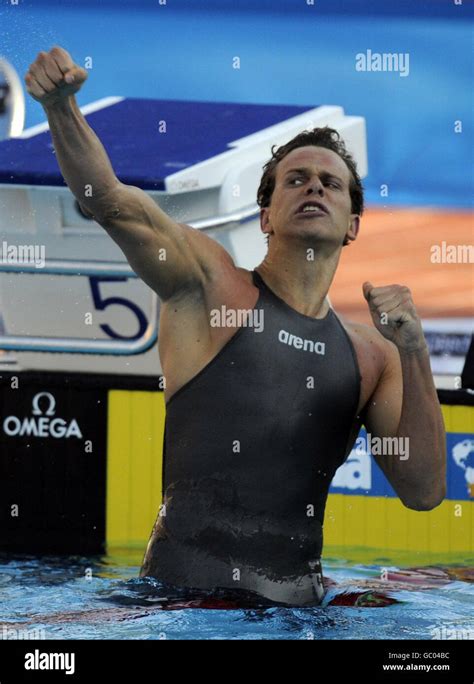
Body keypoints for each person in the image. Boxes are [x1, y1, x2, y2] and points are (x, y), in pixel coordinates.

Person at [25, 47, 446, 608]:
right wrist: (60, 107)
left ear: (353, 226)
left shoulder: (375, 354)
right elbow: (111, 201)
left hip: (300, 613)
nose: (315, 187)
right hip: (182, 605)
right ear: (266, 216)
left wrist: (415, 351)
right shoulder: (208, 285)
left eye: (331, 182)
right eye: (296, 180)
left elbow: (423, 493)